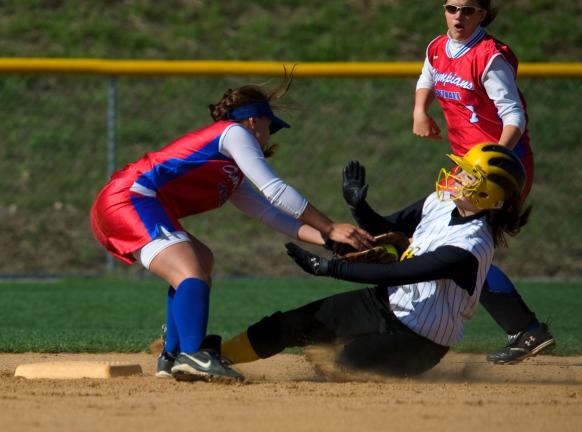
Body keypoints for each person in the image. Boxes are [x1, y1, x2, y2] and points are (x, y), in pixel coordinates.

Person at [90, 74, 374, 382]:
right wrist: (330, 227)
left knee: (201, 260)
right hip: (130, 199)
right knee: (189, 269)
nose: (269, 135)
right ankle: (192, 355)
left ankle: (172, 355)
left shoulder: (231, 171)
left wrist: (327, 240)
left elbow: (268, 212)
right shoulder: (233, 133)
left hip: (138, 203)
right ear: (252, 121)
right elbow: (274, 191)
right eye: (268, 126)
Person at [218, 144, 532, 377]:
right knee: (291, 324)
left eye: (469, 175)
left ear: (489, 194)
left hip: (418, 340)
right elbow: (389, 228)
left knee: (341, 364)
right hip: (384, 302)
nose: (457, 174)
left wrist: (329, 268)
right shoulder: (441, 201)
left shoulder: (470, 246)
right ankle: (217, 357)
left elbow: (398, 272)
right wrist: (359, 206)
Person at [411, 0, 554, 364]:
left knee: (467, 249)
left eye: (469, 10)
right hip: (466, 168)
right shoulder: (437, 46)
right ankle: (525, 329)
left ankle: (525, 330)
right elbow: (428, 75)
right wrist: (420, 110)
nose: (459, 16)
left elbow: (514, 116)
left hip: (500, 170)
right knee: (437, 240)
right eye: (452, 7)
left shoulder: (489, 57)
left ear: (483, 15)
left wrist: (493, 163)